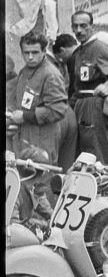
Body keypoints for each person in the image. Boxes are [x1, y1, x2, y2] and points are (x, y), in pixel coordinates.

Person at [67, 10, 108, 173]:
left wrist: (107, 87)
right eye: (75, 26)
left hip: (94, 106)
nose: (79, 30)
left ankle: (103, 187)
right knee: (84, 156)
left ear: (92, 26)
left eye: (83, 26)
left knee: (94, 156)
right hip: (80, 105)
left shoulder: (99, 48)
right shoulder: (79, 52)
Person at [8, 32, 76, 172]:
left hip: (44, 135)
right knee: (25, 176)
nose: (30, 57)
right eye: (26, 53)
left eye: (35, 52)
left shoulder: (51, 74)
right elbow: (19, 100)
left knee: (42, 177)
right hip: (24, 134)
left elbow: (58, 109)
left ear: (44, 51)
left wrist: (25, 116)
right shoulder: (24, 71)